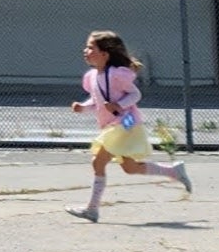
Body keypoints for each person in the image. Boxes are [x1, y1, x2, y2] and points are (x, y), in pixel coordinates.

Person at [72, 29, 191, 221]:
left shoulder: (115, 75)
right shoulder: (93, 76)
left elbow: (135, 94)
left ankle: (92, 209)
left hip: (125, 124)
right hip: (113, 126)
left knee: (98, 161)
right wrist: (83, 107)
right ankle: (173, 171)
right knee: (130, 167)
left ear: (105, 54)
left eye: (91, 47)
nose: (86, 51)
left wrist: (119, 105)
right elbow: (97, 102)